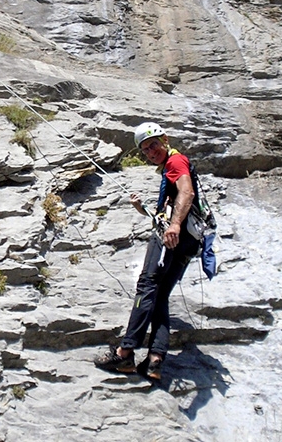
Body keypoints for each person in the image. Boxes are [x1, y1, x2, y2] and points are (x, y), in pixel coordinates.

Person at [93, 121, 203, 379]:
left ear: (165, 139)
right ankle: (155, 360)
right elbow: (175, 201)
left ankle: (124, 353)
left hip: (173, 236)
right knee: (161, 295)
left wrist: (174, 225)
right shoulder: (172, 164)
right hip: (190, 238)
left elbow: (186, 193)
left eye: (153, 145)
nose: (151, 152)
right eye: (145, 150)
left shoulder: (176, 163)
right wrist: (143, 209)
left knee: (146, 286)